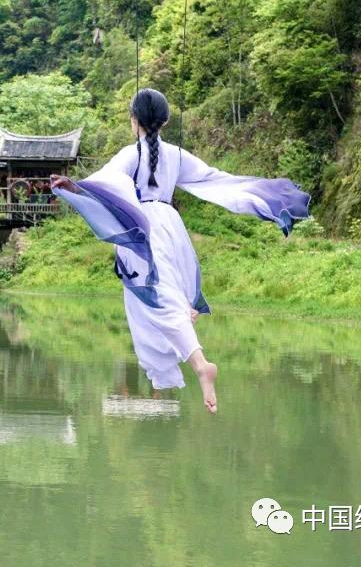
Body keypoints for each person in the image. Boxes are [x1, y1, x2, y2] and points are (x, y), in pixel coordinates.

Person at [50, 88, 311, 415]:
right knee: (165, 296)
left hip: (143, 228)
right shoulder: (175, 155)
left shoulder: (132, 154)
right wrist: (266, 200)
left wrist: (76, 188)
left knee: (155, 300)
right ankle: (188, 322)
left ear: (134, 121)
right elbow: (217, 180)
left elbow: (106, 184)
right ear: (166, 120)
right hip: (172, 227)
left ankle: (201, 363)